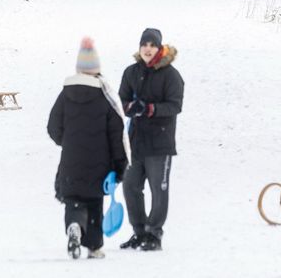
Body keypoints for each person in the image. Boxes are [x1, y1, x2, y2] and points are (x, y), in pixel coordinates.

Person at [48, 37, 129, 260]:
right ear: (97, 70)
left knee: (73, 200)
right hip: (98, 164)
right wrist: (120, 166)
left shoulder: (65, 94)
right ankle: (94, 247)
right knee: (94, 204)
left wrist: (69, 144)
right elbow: (117, 135)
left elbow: (53, 127)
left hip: (70, 162)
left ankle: (74, 225)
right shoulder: (105, 97)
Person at [118, 28, 184, 251]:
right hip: (134, 143)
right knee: (130, 187)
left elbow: (175, 105)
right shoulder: (131, 72)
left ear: (159, 48)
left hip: (160, 143)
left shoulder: (171, 75)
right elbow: (121, 102)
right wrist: (130, 107)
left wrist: (150, 109)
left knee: (159, 188)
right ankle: (139, 232)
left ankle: (154, 234)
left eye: (151, 45)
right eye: (144, 45)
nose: (147, 49)